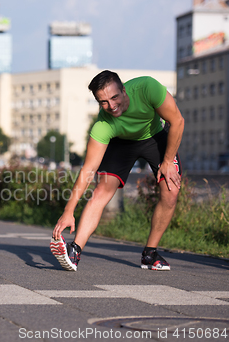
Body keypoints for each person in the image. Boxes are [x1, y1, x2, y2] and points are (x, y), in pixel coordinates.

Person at [51, 70, 184, 271]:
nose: (111, 106)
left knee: (171, 191)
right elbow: (88, 168)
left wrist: (167, 161)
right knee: (102, 191)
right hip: (121, 144)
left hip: (155, 137)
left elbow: (177, 121)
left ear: (124, 90)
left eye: (114, 97)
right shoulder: (103, 125)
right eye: (103, 102)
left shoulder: (147, 88)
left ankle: (150, 254)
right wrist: (68, 211)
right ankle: (75, 249)